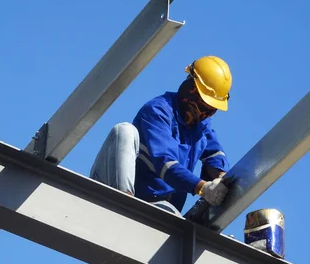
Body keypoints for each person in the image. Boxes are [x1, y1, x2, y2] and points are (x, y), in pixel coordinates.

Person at [90, 55, 232, 216]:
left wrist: (222, 179)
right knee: (124, 131)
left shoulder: (201, 125)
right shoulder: (158, 111)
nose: (206, 113)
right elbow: (166, 164)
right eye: (204, 106)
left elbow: (214, 155)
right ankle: (124, 205)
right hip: (120, 191)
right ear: (191, 90)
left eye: (212, 110)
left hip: (161, 209)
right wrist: (202, 188)